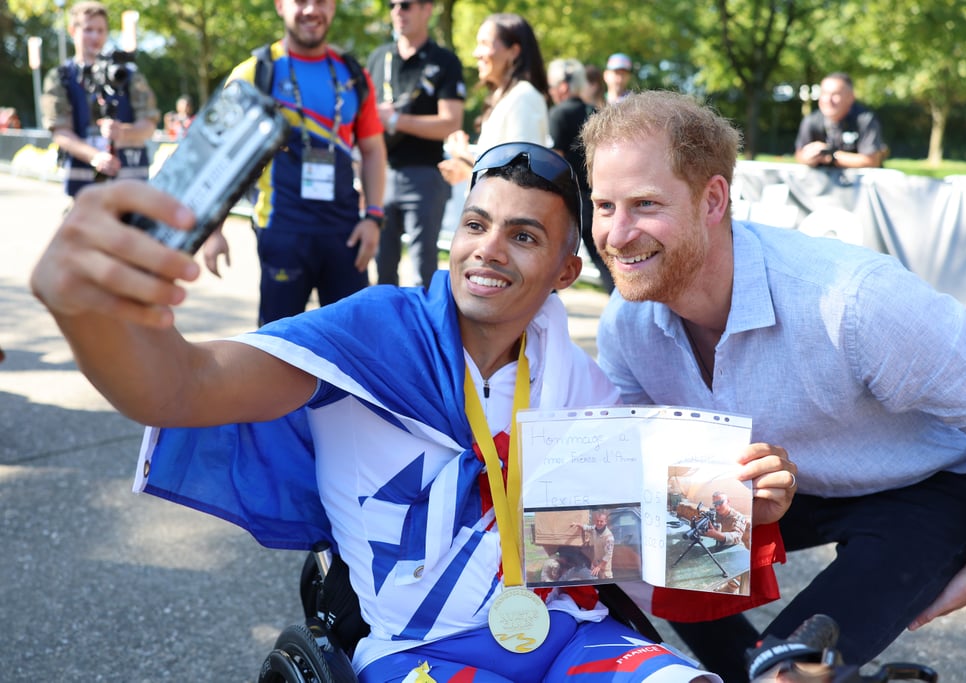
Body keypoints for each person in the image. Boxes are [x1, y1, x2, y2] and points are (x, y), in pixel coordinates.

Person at [28, 141, 797, 681]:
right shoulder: (370, 334)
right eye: (475, 223)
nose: (488, 250)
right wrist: (90, 311)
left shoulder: (575, 378)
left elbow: (652, 548)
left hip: (569, 636)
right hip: (418, 652)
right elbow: (178, 386)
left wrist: (749, 501)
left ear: (565, 271)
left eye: (523, 236)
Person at [581, 90, 966, 682]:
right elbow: (646, 485)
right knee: (622, 543)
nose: (616, 233)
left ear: (713, 199)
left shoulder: (853, 300)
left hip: (928, 486)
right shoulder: (627, 323)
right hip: (797, 478)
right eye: (605, 205)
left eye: (644, 204)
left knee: (784, 672)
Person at [200, 0, 387, 325]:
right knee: (276, 351)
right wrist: (214, 229)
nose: (311, 9)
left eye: (322, 1)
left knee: (356, 347)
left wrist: (373, 217)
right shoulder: (254, 72)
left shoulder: (354, 75)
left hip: (345, 235)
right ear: (280, 5)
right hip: (282, 231)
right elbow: (219, 155)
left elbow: (372, 150)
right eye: (301, 1)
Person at [367, 0, 465, 288]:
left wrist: (396, 121)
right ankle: (385, 331)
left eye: (406, 4)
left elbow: (451, 122)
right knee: (382, 270)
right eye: (392, 4)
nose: (398, 11)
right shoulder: (378, 57)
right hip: (380, 173)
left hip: (423, 176)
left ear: (427, 9)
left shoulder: (444, 61)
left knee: (423, 271)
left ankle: (425, 333)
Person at [40, 1, 159, 199]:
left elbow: (149, 124)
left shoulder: (128, 74)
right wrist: (95, 156)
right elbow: (60, 131)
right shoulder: (61, 77)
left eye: (100, 30)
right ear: (73, 31)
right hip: (84, 190)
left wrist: (124, 132)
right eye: (88, 30)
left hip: (130, 189)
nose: (95, 37)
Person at [438, 13, 548, 187]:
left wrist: (462, 155)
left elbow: (522, 179)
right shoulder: (504, 99)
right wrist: (465, 170)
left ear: (513, 51)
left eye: (485, 44)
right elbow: (497, 177)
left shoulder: (524, 97)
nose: (476, 53)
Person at [547, 57, 613, 293]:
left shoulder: (558, 114)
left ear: (562, 87)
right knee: (606, 263)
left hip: (570, 200)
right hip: (599, 198)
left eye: (552, 87)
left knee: (553, 259)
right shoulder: (595, 112)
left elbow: (555, 161)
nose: (551, 92)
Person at [794, 72, 886, 169]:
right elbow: (800, 155)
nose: (828, 100)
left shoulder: (864, 119)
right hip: (822, 182)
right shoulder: (811, 121)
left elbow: (871, 161)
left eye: (835, 94)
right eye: (824, 93)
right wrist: (809, 157)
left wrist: (829, 155)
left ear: (850, 97)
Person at [572, 511, 615, 579]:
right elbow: (587, 528)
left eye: (601, 521)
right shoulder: (595, 528)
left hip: (605, 569)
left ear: (605, 522)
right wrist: (577, 524)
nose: (599, 523)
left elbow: (608, 555)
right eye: (597, 521)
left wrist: (599, 567)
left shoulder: (609, 537)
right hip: (596, 565)